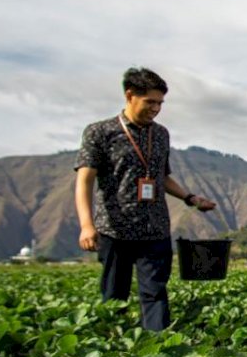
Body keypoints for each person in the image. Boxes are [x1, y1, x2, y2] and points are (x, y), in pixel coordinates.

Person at [74, 67, 217, 331]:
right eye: (150, 102)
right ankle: (111, 348)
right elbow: (85, 180)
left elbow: (162, 178)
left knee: (155, 293)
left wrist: (191, 198)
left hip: (154, 228)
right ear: (130, 96)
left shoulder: (160, 135)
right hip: (115, 228)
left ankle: (158, 346)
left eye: (160, 103)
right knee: (114, 294)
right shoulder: (100, 132)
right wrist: (86, 224)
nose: (156, 108)